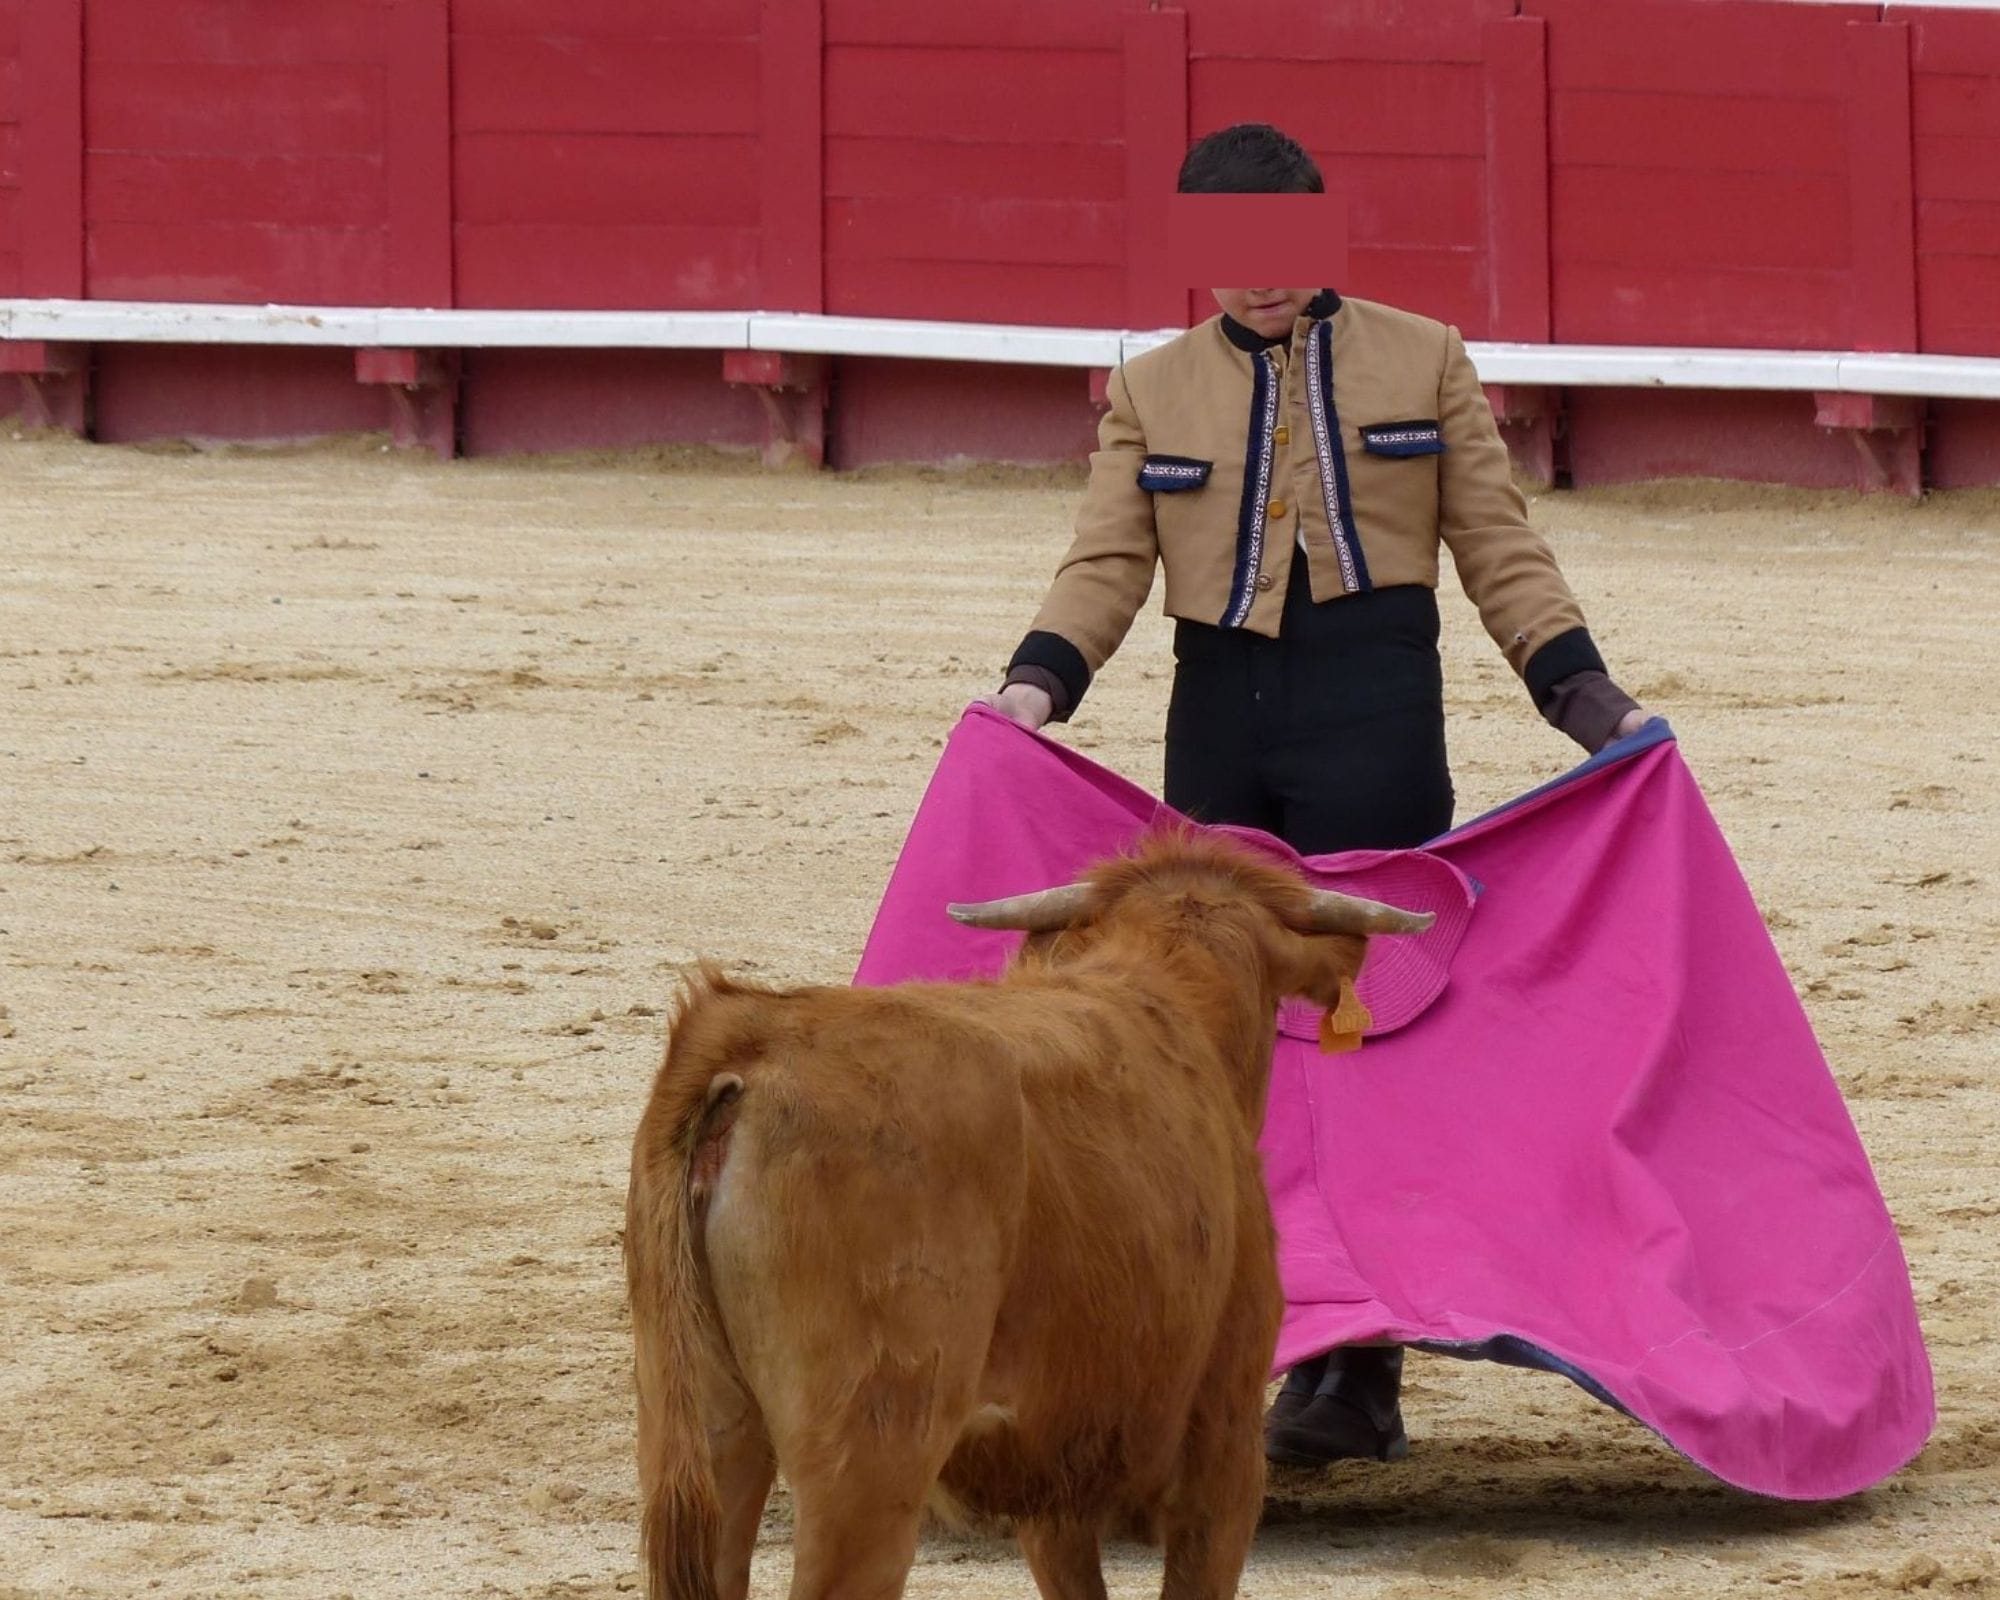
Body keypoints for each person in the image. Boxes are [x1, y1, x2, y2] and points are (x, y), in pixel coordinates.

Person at [980, 123, 1648, 1468]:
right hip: (1216, 730)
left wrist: (1591, 705)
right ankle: (1213, 1344)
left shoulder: (1424, 356)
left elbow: (1500, 550)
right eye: (1228, 266)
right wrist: (1029, 694)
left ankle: (1355, 1370)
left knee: (1365, 1049)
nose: (1259, 285)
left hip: (1374, 723)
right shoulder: (1155, 385)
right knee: (1203, 1051)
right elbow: (1106, 562)